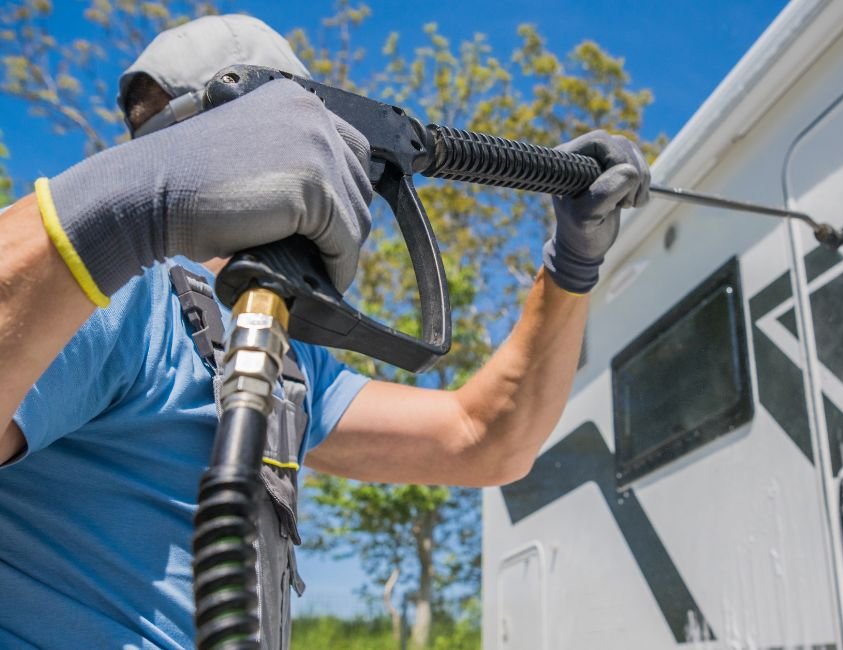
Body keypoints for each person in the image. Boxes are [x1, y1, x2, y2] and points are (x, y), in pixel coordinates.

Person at [0, 14, 650, 650]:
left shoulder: (284, 359)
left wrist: (571, 267)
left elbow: (483, 439)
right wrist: (125, 211)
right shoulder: (117, 293)